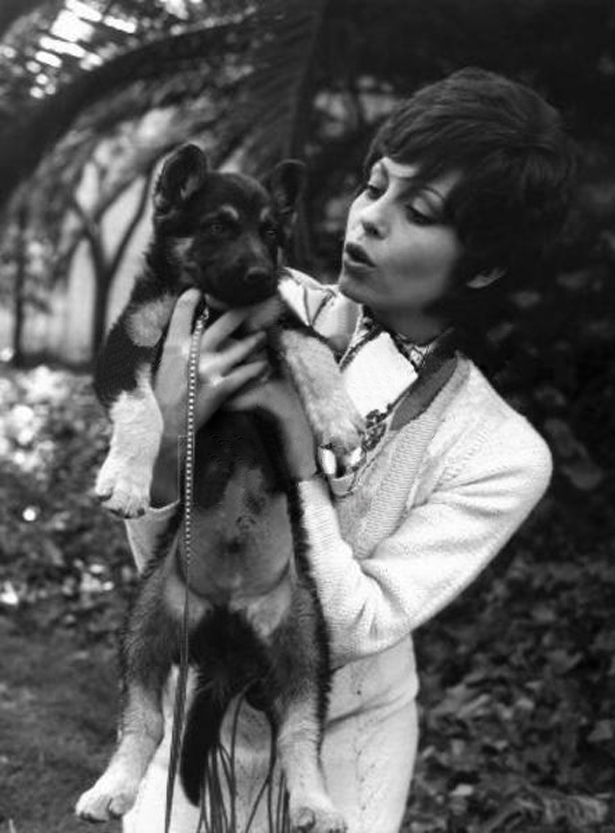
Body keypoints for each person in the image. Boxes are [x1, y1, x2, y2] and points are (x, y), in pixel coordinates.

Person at [122, 67, 575, 833]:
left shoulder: (499, 453)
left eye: (417, 210)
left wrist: (286, 442)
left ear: (485, 265)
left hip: (344, 747)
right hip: (197, 713)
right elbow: (163, 555)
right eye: (374, 185)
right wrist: (168, 435)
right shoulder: (248, 305)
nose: (369, 219)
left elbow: (353, 625)